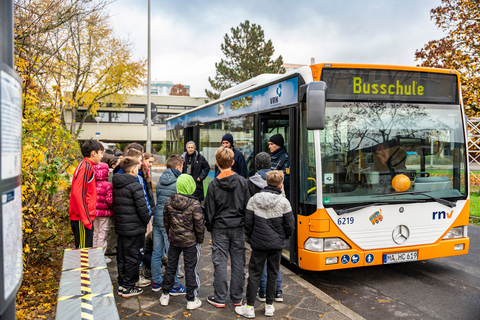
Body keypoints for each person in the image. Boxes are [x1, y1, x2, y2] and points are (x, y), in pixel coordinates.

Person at [236, 171, 295, 318]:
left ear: (266, 182)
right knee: (273, 273)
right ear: (280, 185)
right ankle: (269, 306)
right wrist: (283, 237)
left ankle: (249, 307)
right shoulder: (284, 202)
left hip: (258, 243)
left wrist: (251, 238)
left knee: (254, 274)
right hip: (276, 244)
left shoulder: (254, 199)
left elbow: (248, 224)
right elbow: (290, 226)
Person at [205, 147, 250, 308]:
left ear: (217, 163)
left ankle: (219, 297)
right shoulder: (242, 182)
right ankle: (237, 297)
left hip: (220, 228)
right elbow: (247, 206)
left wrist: (210, 228)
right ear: (233, 162)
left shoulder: (213, 185)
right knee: (239, 262)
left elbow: (209, 211)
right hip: (238, 227)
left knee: (220, 262)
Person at [159, 174, 205, 310]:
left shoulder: (169, 202)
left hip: (174, 241)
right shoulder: (194, 204)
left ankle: (165, 295)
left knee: (171, 267)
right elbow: (200, 225)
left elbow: (166, 222)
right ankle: (191, 299)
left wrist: (170, 235)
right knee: (191, 269)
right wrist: (199, 240)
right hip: (190, 242)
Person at [247, 152, 284, 302]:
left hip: (259, 227)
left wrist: (248, 232)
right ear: (270, 164)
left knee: (259, 262)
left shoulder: (250, 182)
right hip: (275, 228)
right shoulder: (277, 181)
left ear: (256, 165)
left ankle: (262, 292)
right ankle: (277, 291)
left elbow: (248, 209)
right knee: (275, 264)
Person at [113, 157, 150, 297]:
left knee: (122, 256)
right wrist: (146, 220)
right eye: (139, 168)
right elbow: (142, 208)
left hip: (122, 227)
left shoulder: (117, 183)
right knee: (134, 257)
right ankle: (129, 286)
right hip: (135, 229)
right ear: (134, 169)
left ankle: (122, 284)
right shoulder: (135, 185)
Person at [151, 155, 185, 293]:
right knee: (172, 254)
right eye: (182, 167)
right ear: (178, 167)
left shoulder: (160, 181)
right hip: (170, 222)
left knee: (156, 253)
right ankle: (174, 285)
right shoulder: (178, 182)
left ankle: (156, 282)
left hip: (158, 220)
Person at [69, 139, 104, 248]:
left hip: (82, 218)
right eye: (101, 153)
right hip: (82, 219)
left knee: (84, 253)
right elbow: (78, 193)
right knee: (83, 254)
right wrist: (86, 220)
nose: (101, 156)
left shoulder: (84, 165)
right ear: (93, 153)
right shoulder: (86, 167)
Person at [92, 162, 114, 263]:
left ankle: (94, 254)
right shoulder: (108, 185)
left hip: (94, 212)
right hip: (105, 214)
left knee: (95, 233)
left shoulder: (92, 184)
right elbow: (110, 200)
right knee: (103, 234)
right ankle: (101, 256)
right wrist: (113, 208)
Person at [268, 134, 290, 199]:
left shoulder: (286, 159)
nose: (269, 146)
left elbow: (286, 179)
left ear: (278, 145)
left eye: (272, 144)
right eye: (269, 144)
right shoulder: (271, 157)